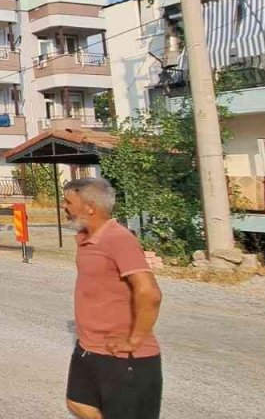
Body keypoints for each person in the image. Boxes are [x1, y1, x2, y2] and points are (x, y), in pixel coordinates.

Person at [62, 177, 163, 419]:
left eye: (68, 202)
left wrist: (134, 339)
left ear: (90, 207)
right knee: (77, 403)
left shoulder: (118, 238)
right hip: (90, 348)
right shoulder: (86, 238)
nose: (64, 206)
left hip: (124, 358)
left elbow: (149, 292)